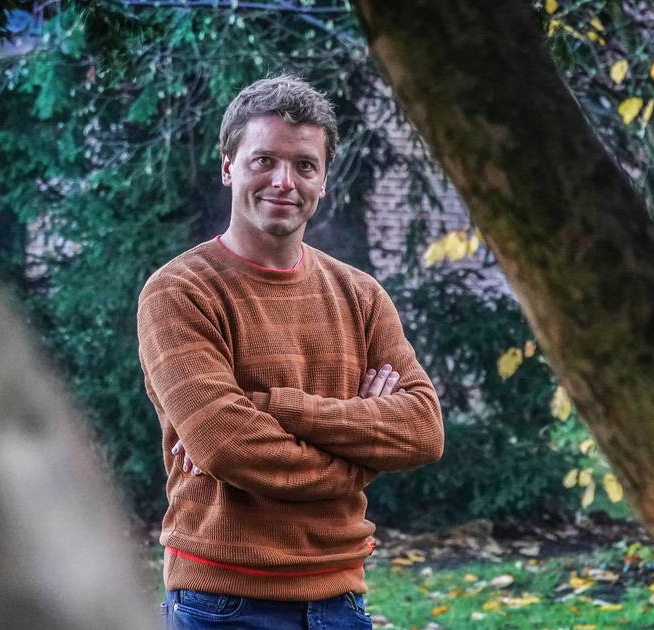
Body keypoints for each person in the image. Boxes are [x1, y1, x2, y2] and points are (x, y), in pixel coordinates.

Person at [137, 75, 444, 629]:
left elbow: (422, 429)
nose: (284, 181)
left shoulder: (360, 295)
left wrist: (274, 407)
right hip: (222, 603)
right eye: (264, 161)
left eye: (304, 165)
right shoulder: (180, 292)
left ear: (323, 180)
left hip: (341, 601)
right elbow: (228, 445)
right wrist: (362, 456)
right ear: (228, 166)